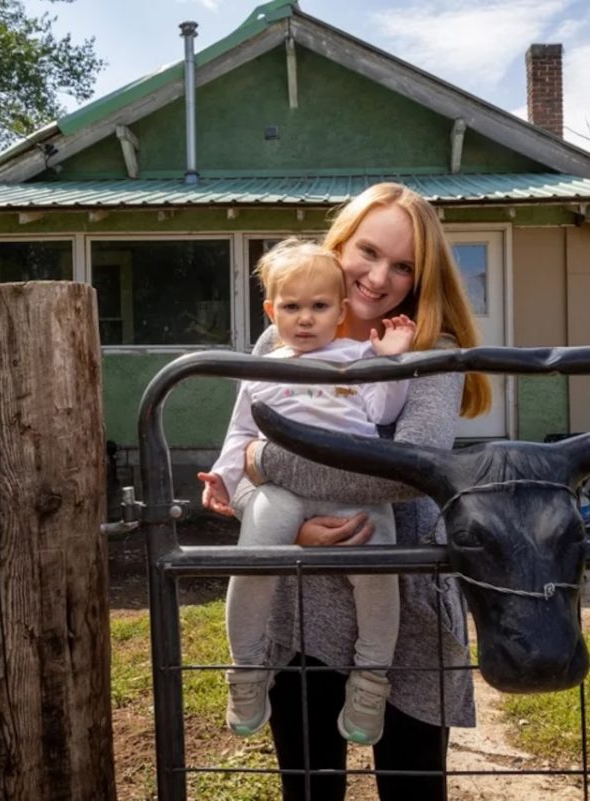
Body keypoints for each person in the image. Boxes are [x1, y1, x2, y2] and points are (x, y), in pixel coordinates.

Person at [224, 183, 492, 801]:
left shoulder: (431, 351)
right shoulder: (281, 341)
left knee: (411, 785)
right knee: (311, 785)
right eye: (368, 252)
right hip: (300, 594)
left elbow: (405, 472)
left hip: (404, 592)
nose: (379, 277)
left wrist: (268, 459)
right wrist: (280, 520)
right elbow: (235, 455)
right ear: (338, 244)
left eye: (403, 266)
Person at [198, 239, 418, 745]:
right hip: (283, 490)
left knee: (380, 572)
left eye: (319, 307)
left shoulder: (356, 357)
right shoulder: (263, 367)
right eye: (292, 307)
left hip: (356, 490)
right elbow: (240, 433)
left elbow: (383, 412)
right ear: (271, 311)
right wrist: (223, 476)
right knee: (259, 549)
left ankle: (371, 679)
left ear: (341, 312)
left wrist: (389, 361)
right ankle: (248, 669)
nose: (305, 319)